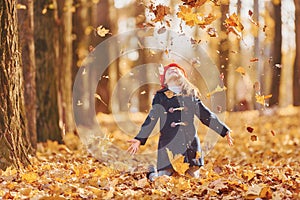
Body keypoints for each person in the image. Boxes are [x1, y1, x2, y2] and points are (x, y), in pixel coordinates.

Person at [127, 63, 233, 181]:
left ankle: (186, 172)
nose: (173, 70)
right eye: (169, 70)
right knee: (163, 180)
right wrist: (139, 139)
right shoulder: (160, 97)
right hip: (168, 147)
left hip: (190, 146)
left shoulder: (191, 94)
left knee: (192, 179)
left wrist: (224, 130)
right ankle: (152, 174)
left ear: (184, 76)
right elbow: (151, 118)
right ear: (165, 80)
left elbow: (206, 115)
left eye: (177, 69)